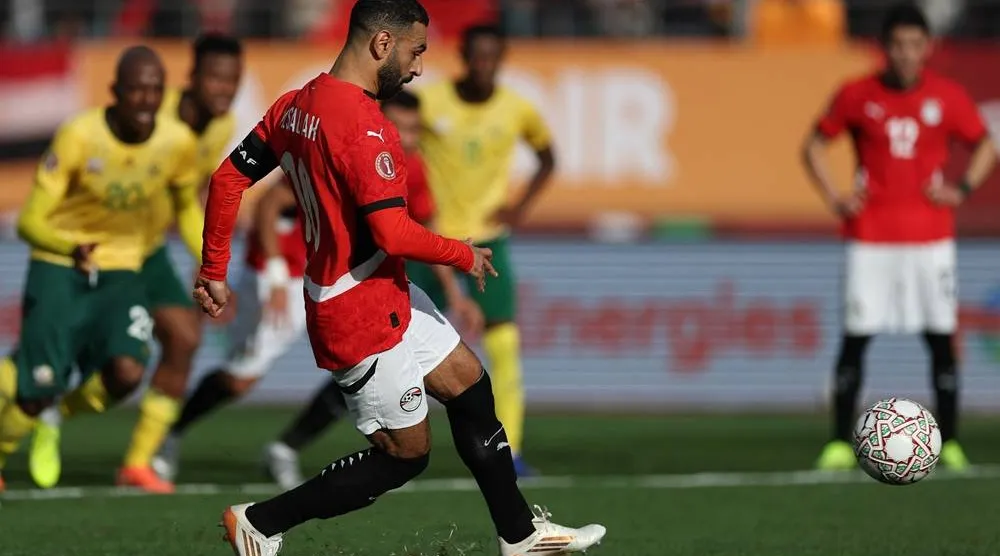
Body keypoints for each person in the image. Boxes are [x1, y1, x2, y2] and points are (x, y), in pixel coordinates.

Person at [195, 1, 605, 554]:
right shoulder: (368, 129)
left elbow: (227, 179)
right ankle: (261, 521)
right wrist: (461, 253)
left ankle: (521, 536)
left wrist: (213, 270)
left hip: (382, 290)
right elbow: (392, 232)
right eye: (416, 52)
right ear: (382, 44)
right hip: (354, 309)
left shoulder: (296, 104)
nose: (417, 69)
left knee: (470, 387)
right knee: (405, 455)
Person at [26, 34, 243, 493]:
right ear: (192, 79)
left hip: (150, 252)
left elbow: (190, 198)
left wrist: (209, 264)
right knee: (91, 364)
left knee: (183, 339)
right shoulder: (149, 116)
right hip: (102, 253)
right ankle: (39, 410)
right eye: (217, 78)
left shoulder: (221, 129)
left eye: (234, 81)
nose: (226, 90)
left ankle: (138, 460)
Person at [803, 3, 996, 472]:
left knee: (939, 339)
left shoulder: (947, 97)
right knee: (856, 338)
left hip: (931, 239)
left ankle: (949, 441)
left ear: (927, 48)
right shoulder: (856, 94)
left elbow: (986, 143)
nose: (907, 54)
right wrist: (835, 196)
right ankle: (838, 443)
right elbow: (812, 145)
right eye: (898, 45)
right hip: (870, 237)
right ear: (885, 48)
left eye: (915, 45)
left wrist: (962, 188)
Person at [412, 24, 556, 477]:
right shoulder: (431, 101)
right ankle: (394, 443)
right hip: (430, 242)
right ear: (463, 55)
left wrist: (519, 208)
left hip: (489, 242)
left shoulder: (516, 109)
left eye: (492, 57)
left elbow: (548, 156)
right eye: (476, 56)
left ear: (502, 58)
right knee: (391, 344)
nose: (483, 65)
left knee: (506, 346)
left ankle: (509, 452)